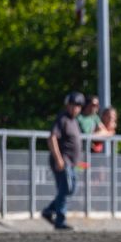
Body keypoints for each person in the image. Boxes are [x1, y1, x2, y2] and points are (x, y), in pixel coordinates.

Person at [40, 91, 85, 230]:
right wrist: (59, 159)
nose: (74, 108)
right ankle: (60, 221)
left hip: (71, 163)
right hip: (63, 161)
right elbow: (52, 138)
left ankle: (49, 211)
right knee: (66, 188)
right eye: (72, 105)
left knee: (70, 189)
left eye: (77, 106)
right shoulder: (62, 119)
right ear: (67, 105)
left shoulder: (75, 121)